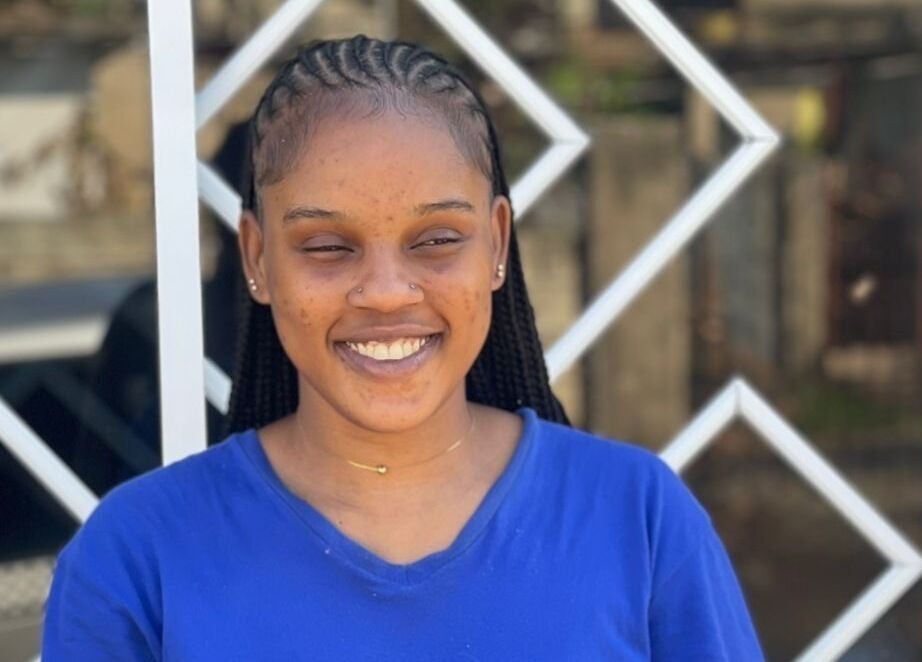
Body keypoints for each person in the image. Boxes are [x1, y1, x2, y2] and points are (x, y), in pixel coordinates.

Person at [41, 36, 764, 660]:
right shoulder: (137, 558)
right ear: (257, 257)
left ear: (498, 243)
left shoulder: (638, 521)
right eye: (327, 246)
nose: (387, 292)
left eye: (437, 241)